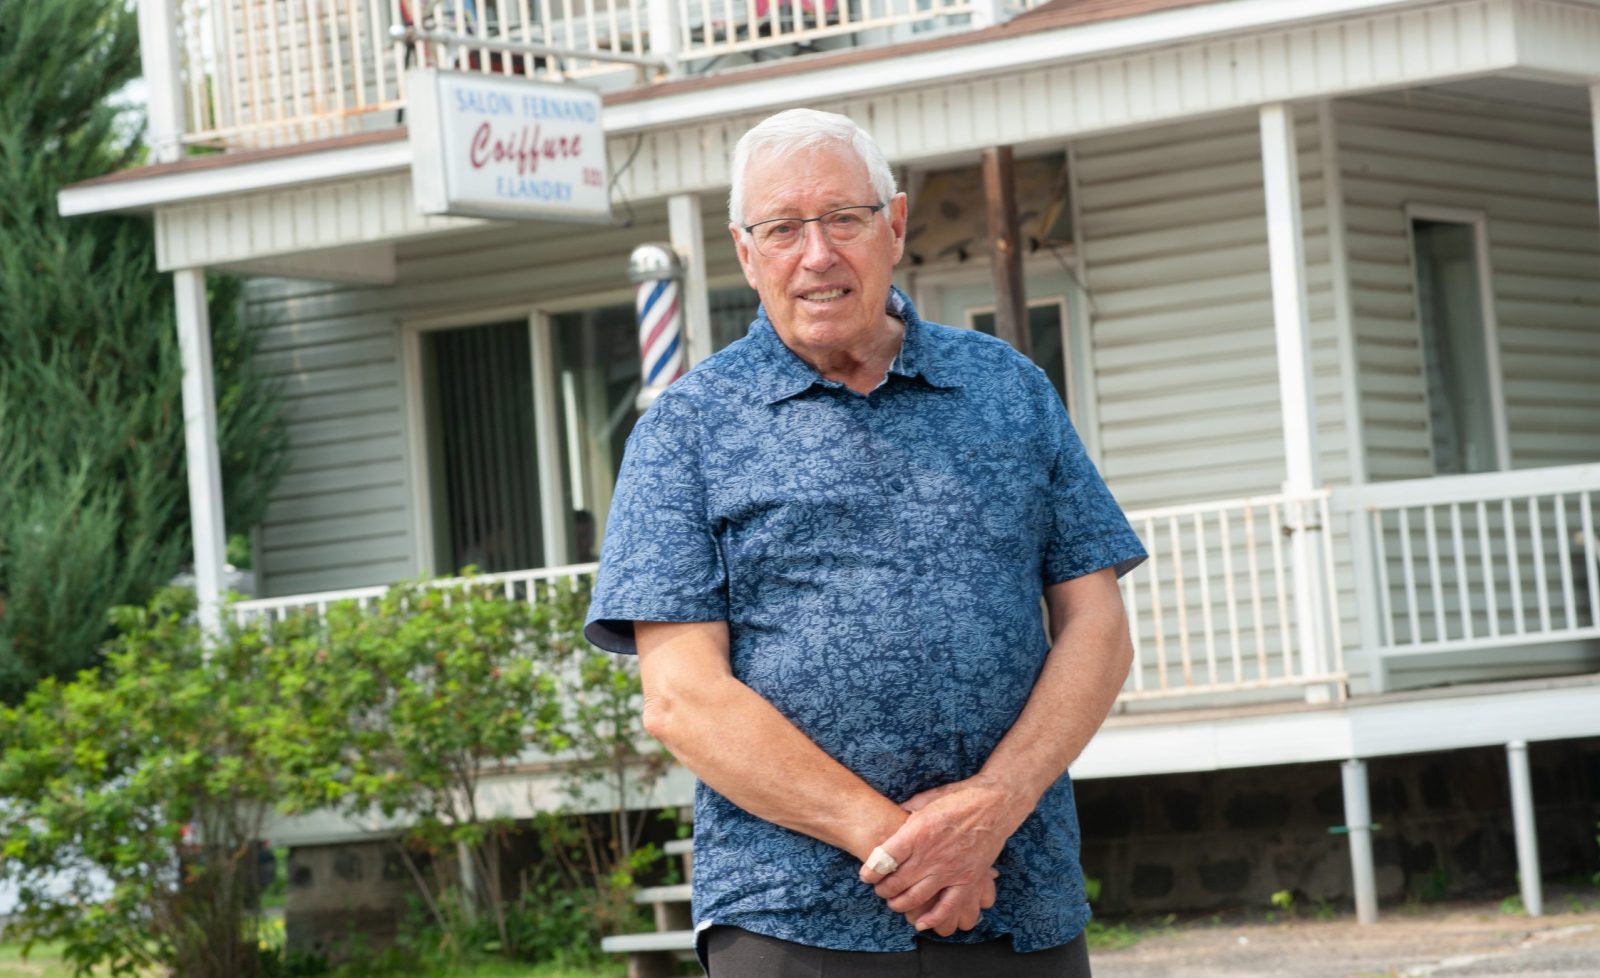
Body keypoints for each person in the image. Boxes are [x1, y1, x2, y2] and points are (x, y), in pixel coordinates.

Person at [584, 108, 1147, 977]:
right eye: (782, 229)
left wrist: (990, 812)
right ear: (745, 251)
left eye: (843, 219)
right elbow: (683, 698)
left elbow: (1098, 628)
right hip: (793, 919)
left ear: (896, 223)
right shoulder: (686, 432)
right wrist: (910, 848)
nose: (816, 254)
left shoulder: (1005, 387)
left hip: (1016, 895)